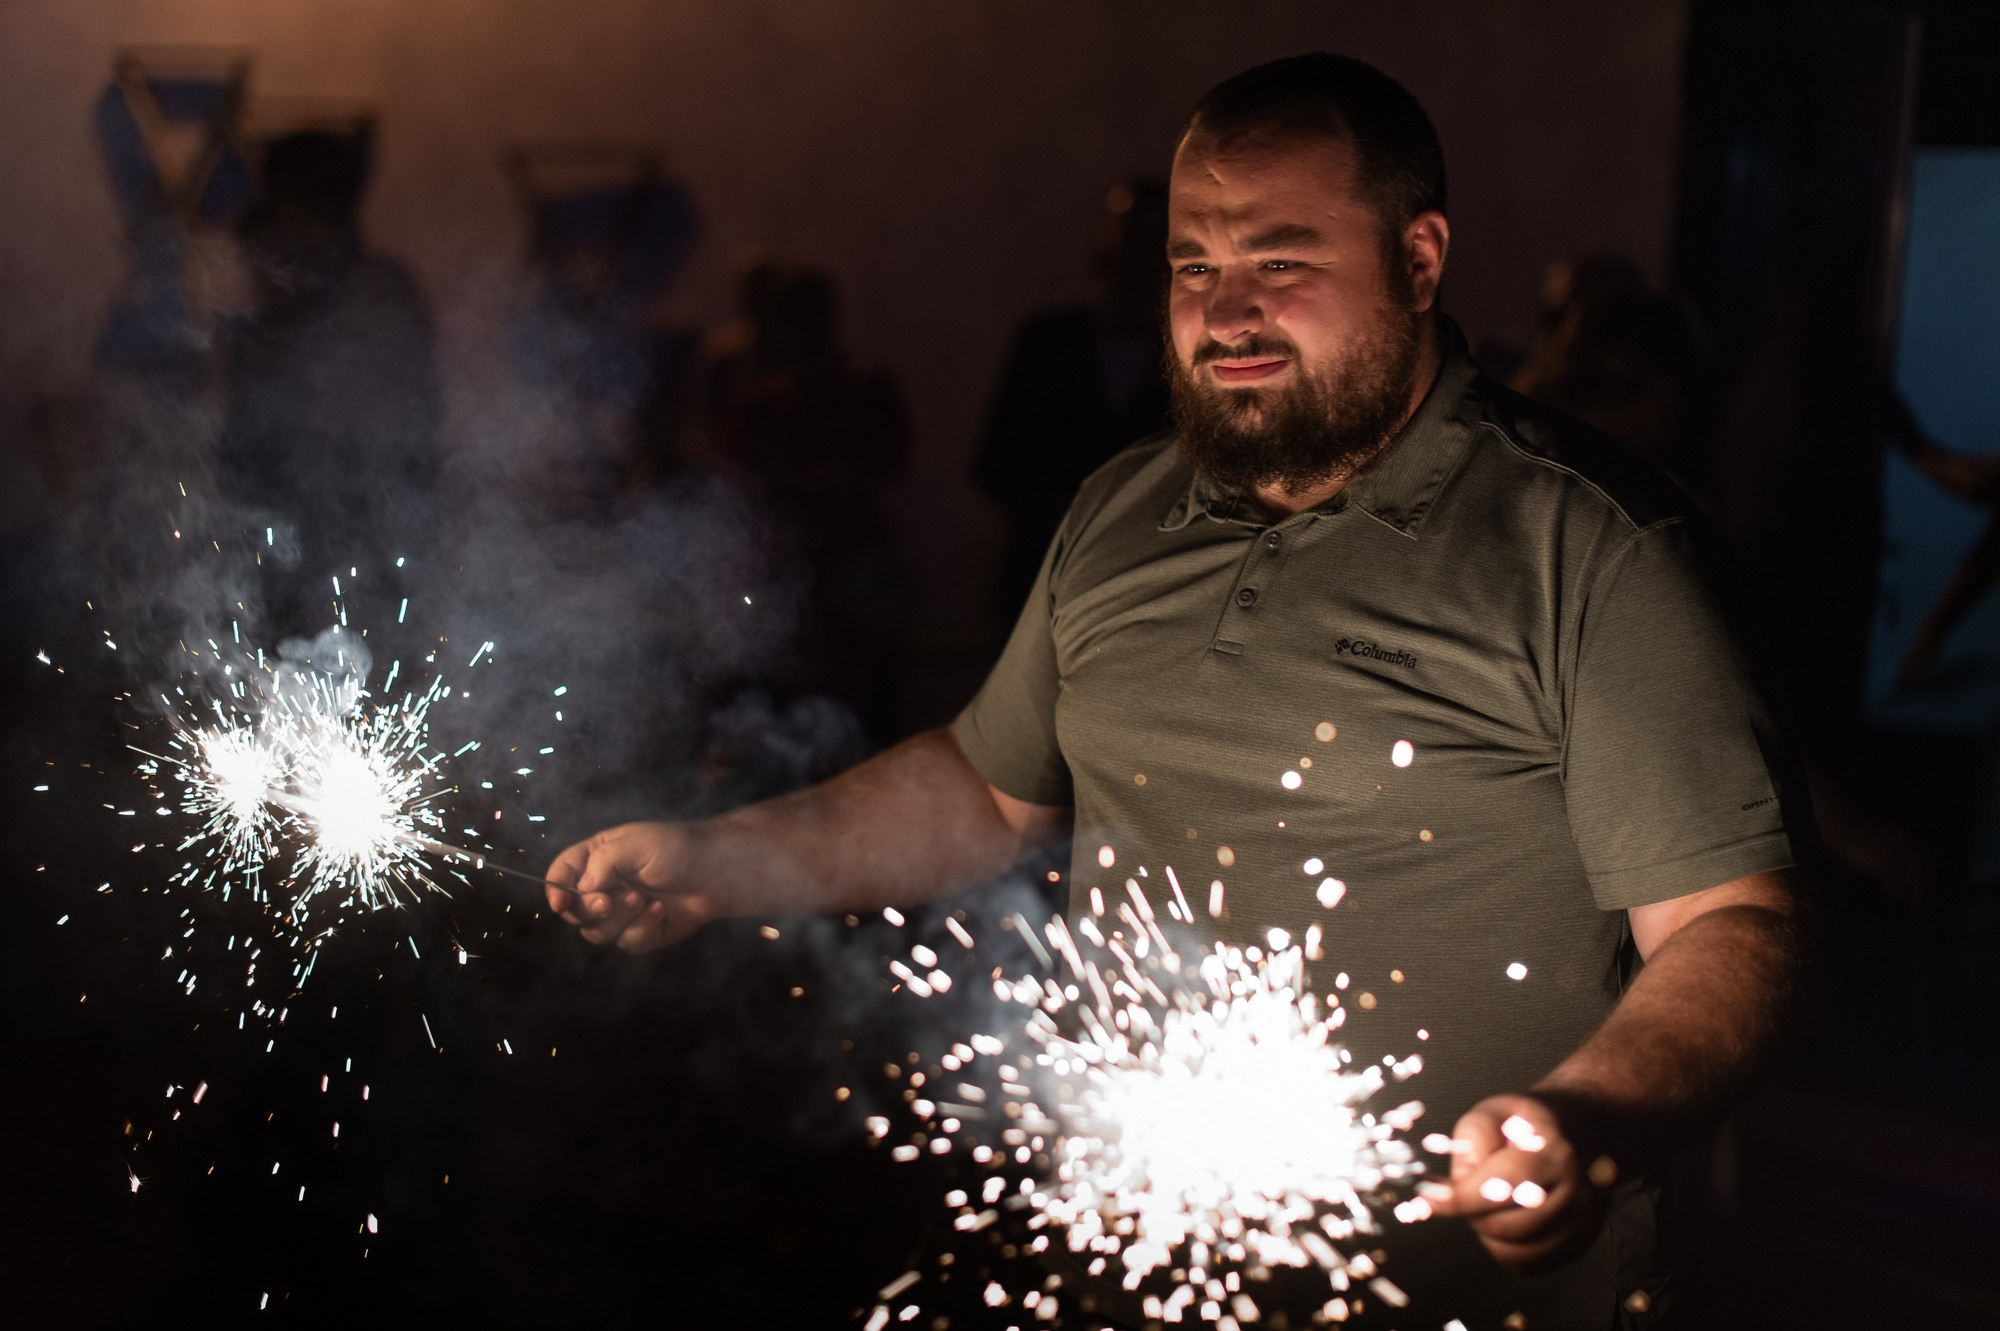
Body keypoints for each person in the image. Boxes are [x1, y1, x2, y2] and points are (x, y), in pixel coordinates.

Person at [545, 54, 1803, 1329]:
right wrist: (721, 860)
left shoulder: (1591, 545)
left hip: (1466, 1296)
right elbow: (987, 793)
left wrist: (1580, 1118)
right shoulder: (1119, 510)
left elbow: (1729, 924)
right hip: (1138, 1276)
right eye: (1192, 265)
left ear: (1418, 262)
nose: (1223, 311)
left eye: (1280, 260)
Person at [217, 129, 441, 638]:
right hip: (292, 554)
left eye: (281, 207)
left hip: (362, 555)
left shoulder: (376, 301)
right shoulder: (292, 304)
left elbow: (353, 448)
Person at [976, 179, 1172, 622]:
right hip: (1034, 587)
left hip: (1133, 598)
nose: (1138, 257)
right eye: (1130, 237)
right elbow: (995, 459)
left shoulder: (1187, 365)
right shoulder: (1047, 342)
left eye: (1152, 241)